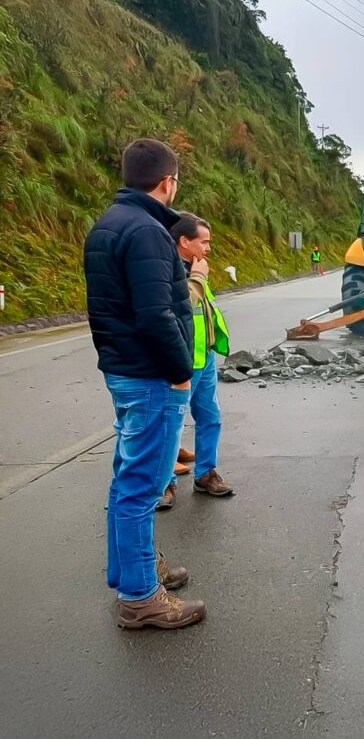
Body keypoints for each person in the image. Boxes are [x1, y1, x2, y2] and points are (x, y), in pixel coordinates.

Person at [83, 138, 206, 629]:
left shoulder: (106, 226)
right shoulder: (149, 231)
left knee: (126, 479)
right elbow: (156, 314)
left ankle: (130, 569)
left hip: (122, 369)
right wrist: (180, 373)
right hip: (152, 375)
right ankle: (140, 597)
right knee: (143, 486)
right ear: (168, 181)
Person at [158, 214, 234, 510]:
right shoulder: (169, 271)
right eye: (204, 242)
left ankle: (206, 474)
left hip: (205, 359)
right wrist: (198, 277)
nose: (208, 248)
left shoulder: (197, 269)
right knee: (171, 424)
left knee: (210, 417)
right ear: (184, 241)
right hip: (181, 361)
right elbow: (179, 308)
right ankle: (165, 483)